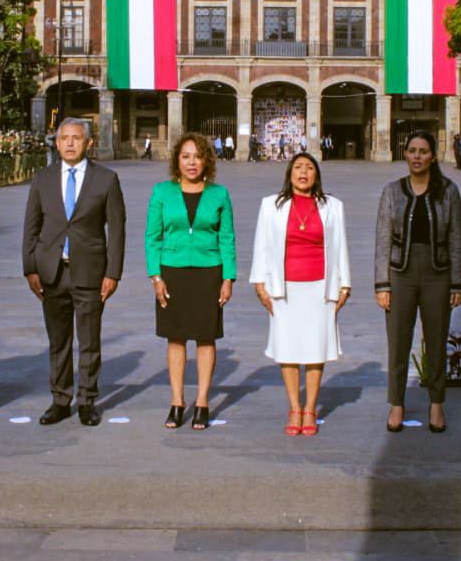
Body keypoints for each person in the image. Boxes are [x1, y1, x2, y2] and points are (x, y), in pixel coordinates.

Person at [22, 117, 125, 427]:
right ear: (56, 143)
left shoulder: (106, 179)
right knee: (58, 341)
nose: (69, 143)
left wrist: (113, 273)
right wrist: (30, 268)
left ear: (88, 143)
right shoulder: (42, 178)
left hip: (90, 273)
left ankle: (87, 401)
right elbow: (31, 227)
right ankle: (60, 399)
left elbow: (116, 230)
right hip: (51, 271)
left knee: (89, 340)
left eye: (76, 138)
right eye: (64, 138)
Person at [250, 152, 350, 437]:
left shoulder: (333, 206)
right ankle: (294, 407)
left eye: (309, 168)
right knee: (288, 348)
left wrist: (344, 284)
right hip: (284, 287)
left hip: (320, 286)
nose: (303, 172)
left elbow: (341, 245)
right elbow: (261, 245)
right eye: (298, 167)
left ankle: (310, 408)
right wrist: (259, 284)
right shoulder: (271, 205)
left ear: (317, 174)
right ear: (289, 173)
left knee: (316, 348)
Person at [375, 131, 461, 434]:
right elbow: (383, 239)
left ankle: (436, 402)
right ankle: (397, 403)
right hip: (401, 272)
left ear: (433, 156)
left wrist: (457, 282)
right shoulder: (392, 191)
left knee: (436, 341)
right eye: (412, 150)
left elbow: (456, 238)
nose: (417, 156)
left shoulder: (448, 191)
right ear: (405, 154)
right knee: (398, 341)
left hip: (437, 272)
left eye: (423, 151)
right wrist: (382, 284)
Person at [145, 132, 236, 430]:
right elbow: (152, 238)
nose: (192, 162)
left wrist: (228, 277)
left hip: (209, 272)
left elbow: (227, 238)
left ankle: (202, 402)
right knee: (176, 337)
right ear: (177, 161)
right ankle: (176, 401)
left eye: (197, 156)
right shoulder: (162, 192)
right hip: (172, 271)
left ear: (207, 160)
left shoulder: (219, 194)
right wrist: (156, 277)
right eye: (185, 156)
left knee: (206, 337)